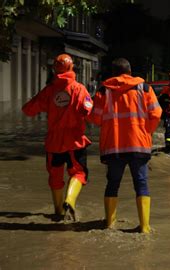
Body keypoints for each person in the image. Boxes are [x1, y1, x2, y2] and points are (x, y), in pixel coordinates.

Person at [87, 58, 162, 233]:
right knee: (141, 183)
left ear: (113, 73)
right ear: (130, 71)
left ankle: (109, 224)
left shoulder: (104, 90)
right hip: (139, 145)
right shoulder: (145, 88)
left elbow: (95, 118)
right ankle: (144, 227)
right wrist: (147, 132)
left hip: (113, 147)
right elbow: (156, 113)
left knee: (112, 184)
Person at [22, 53, 93, 221]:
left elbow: (28, 110)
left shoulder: (49, 90)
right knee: (79, 173)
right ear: (71, 67)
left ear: (54, 69)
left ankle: (58, 212)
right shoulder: (79, 88)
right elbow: (88, 110)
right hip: (75, 141)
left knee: (55, 176)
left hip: (54, 143)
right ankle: (70, 200)